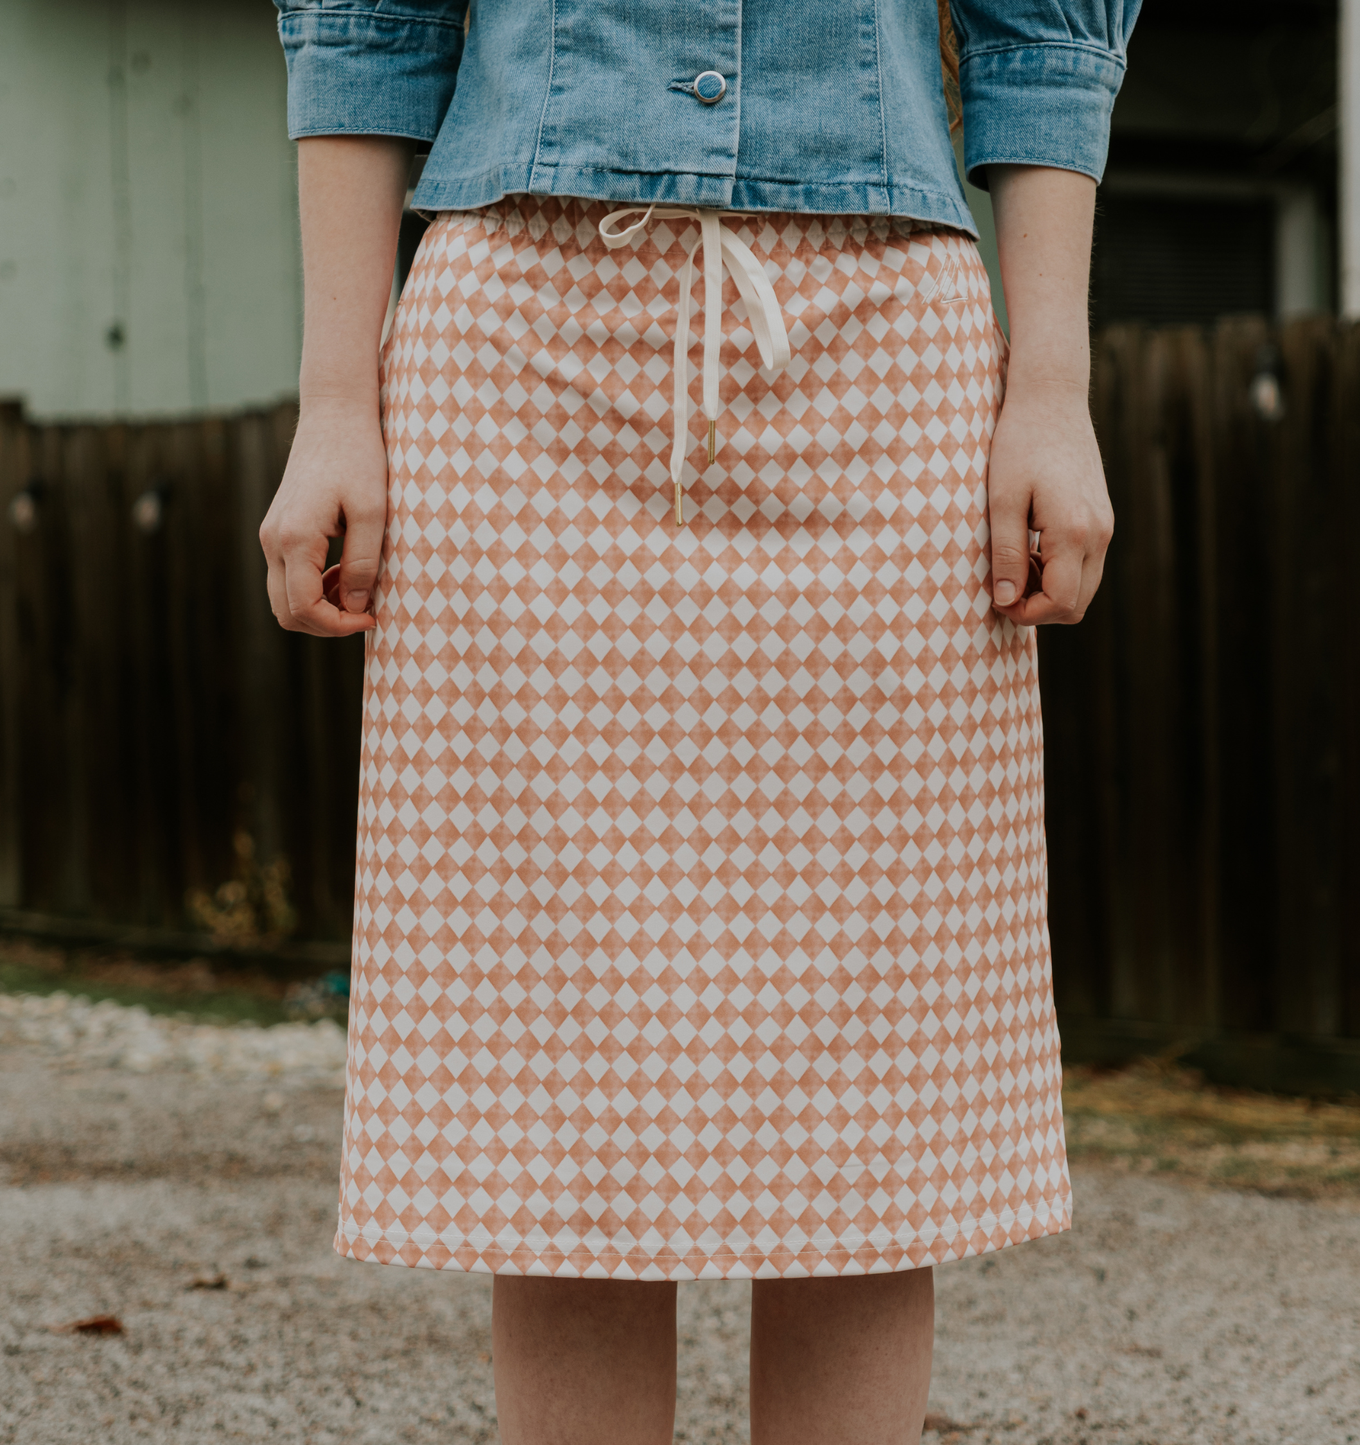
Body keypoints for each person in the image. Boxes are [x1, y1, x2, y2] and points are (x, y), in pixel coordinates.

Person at [260, 1, 1138, 1439]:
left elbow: (1046, 28)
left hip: (879, 357)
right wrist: (335, 400)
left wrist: (1051, 384)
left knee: (872, 1068)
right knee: (554, 1069)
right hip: (519, 353)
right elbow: (367, 20)